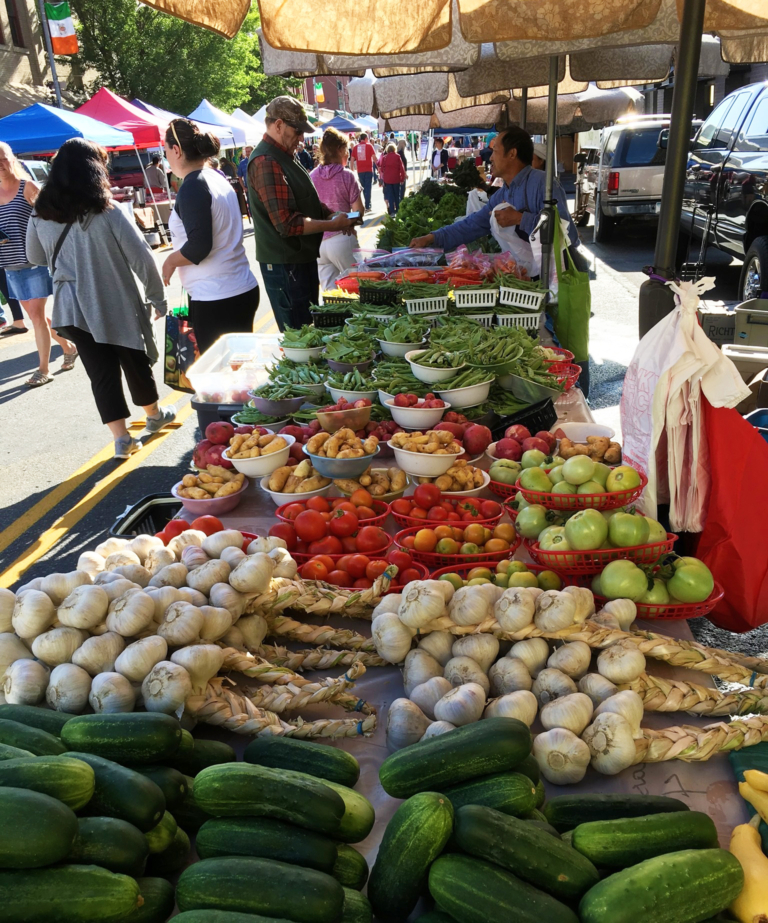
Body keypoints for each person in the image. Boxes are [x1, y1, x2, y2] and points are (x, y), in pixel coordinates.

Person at [411, 126, 589, 394]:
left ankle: (580, 399)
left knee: (572, 347)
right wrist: (432, 237)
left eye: (494, 151)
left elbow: (566, 229)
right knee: (548, 345)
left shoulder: (541, 182)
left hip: (564, 278)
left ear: (512, 153)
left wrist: (521, 218)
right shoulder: (504, 192)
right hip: (534, 278)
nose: (489, 157)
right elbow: (473, 224)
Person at [26, 138, 174, 458]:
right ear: (94, 170)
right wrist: (157, 298)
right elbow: (143, 259)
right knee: (134, 362)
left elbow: (34, 256)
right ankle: (153, 416)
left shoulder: (40, 213)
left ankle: (122, 440)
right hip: (115, 301)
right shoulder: (109, 210)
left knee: (100, 374)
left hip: (71, 307)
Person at [247, 96, 358, 330]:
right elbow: (287, 223)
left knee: (308, 327)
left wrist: (333, 216)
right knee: (300, 335)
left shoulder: (285, 155)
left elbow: (308, 202)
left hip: (298, 262)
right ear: (278, 125)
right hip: (286, 266)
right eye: (297, 131)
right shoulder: (267, 160)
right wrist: (332, 225)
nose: (301, 138)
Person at [161, 119, 259, 354]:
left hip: (217, 298)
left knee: (223, 379)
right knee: (240, 372)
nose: (166, 157)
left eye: (166, 151)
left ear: (176, 150)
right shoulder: (215, 176)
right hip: (235, 289)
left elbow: (199, 247)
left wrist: (170, 260)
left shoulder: (194, 185)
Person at [0, 141, 76, 386]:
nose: (0, 165)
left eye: (3, 158)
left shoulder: (28, 187)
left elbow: (50, 220)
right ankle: (69, 346)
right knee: (37, 317)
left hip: (34, 262)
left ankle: (43, 369)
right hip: (10, 265)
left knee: (35, 314)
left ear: (12, 159)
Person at [309, 127, 364, 291]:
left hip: (319, 243)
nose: (348, 153)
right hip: (342, 238)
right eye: (346, 149)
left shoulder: (311, 176)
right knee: (359, 286)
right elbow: (359, 211)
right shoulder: (347, 175)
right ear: (340, 150)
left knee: (330, 295)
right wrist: (350, 221)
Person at [350, 132, 377, 212]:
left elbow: (352, 159)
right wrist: (378, 166)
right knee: (368, 187)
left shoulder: (355, 147)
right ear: (365, 139)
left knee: (363, 188)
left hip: (360, 170)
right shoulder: (369, 146)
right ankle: (367, 205)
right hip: (368, 169)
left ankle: (367, 204)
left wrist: (352, 169)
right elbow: (374, 158)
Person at [378, 143, 406, 216]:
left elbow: (382, 169)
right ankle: (398, 210)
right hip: (396, 178)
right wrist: (402, 178)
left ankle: (392, 211)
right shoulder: (397, 156)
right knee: (397, 194)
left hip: (388, 179)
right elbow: (402, 168)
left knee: (390, 195)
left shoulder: (385, 157)